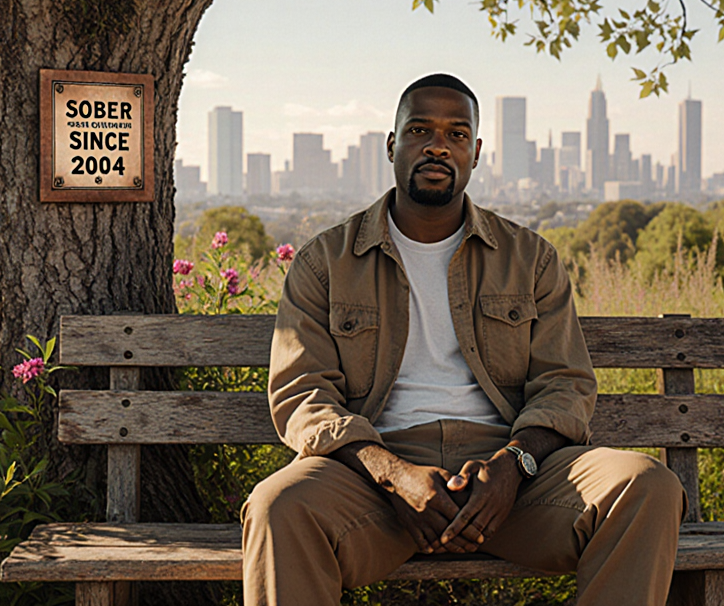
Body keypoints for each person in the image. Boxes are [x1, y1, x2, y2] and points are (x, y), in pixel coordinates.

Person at [242, 73, 684, 606]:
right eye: (419, 129)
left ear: (476, 152)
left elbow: (565, 386)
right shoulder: (326, 262)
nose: (436, 145)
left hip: (512, 482)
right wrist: (391, 474)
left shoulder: (529, 258)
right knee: (277, 506)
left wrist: (513, 465)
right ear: (391, 144)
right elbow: (302, 395)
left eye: (456, 134)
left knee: (647, 486)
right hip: (372, 482)